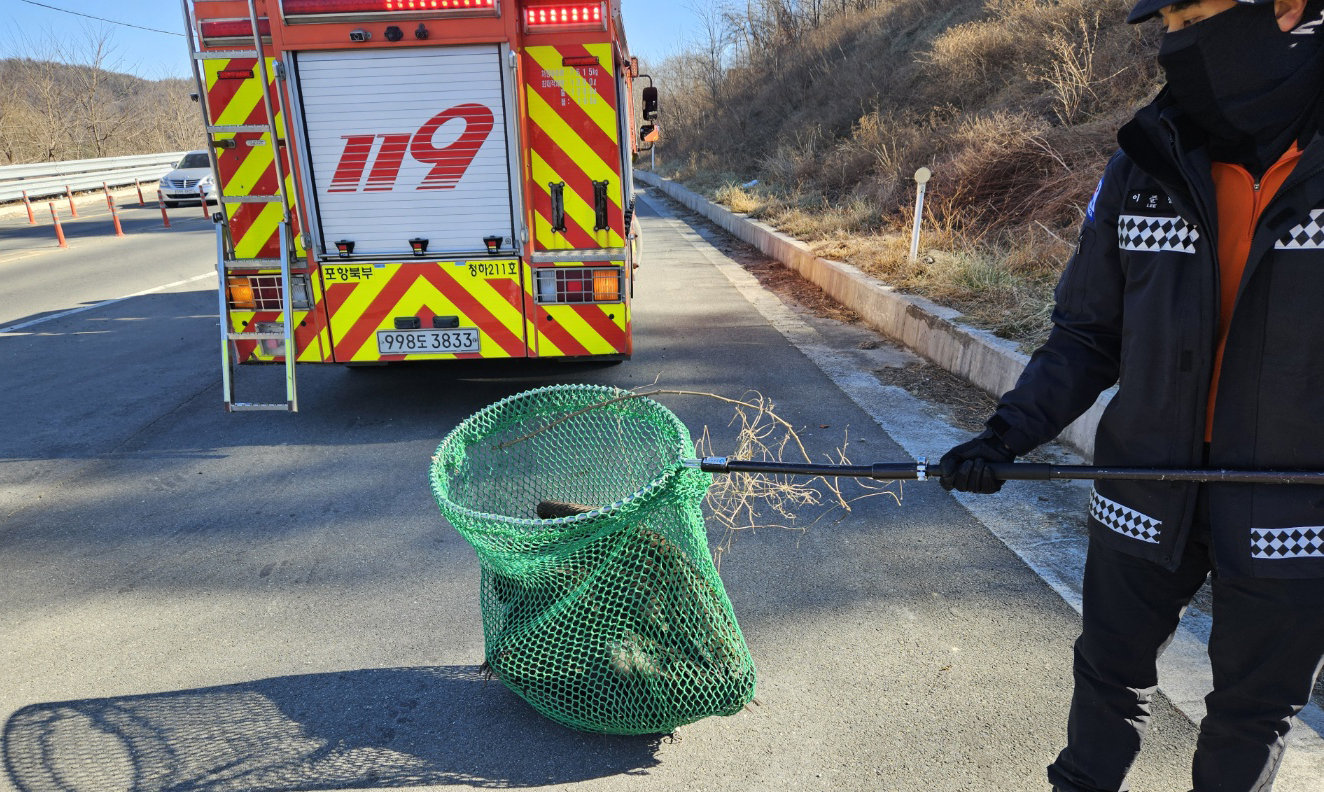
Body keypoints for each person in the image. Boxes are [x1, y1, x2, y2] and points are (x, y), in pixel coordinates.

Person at [937, 1, 1324, 790]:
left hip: (1297, 512)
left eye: (1196, 14)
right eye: (1170, 20)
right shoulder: (1145, 159)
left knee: (1252, 716)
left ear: (1287, 11)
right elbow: (1087, 334)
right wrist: (1005, 434)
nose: (1176, 40)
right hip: (1144, 491)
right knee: (1105, 686)